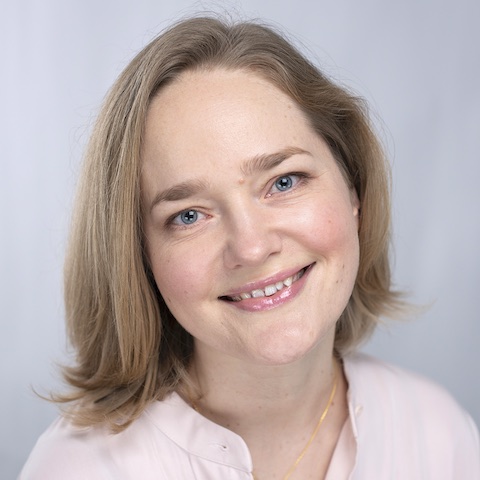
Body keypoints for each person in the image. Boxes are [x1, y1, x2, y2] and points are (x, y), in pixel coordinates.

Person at [20, 16, 479, 480]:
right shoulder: (78, 469)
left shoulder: (438, 433)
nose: (252, 247)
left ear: (353, 188)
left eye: (283, 182)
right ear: (139, 257)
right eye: (189, 215)